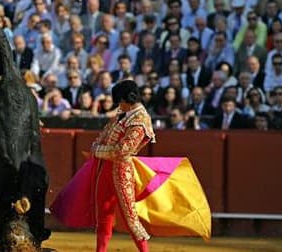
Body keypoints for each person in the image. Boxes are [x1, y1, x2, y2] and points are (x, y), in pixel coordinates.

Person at [51, 80, 211, 252]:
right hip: (103, 170)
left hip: (121, 172)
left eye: (119, 100)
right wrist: (98, 149)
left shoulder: (141, 119)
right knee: (104, 214)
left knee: (131, 217)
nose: (118, 104)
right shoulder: (123, 114)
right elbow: (103, 137)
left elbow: (123, 150)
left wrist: (97, 150)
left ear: (127, 99)